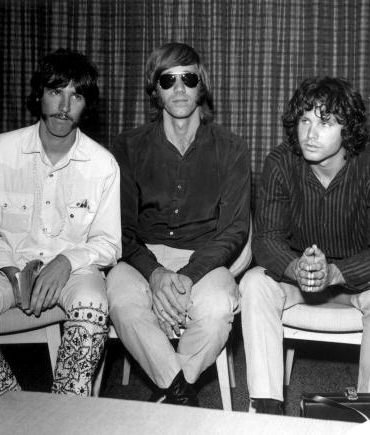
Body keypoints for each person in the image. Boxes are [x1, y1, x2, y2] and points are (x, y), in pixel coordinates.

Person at [240, 76, 370, 415]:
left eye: (326, 122)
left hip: (356, 280)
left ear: (348, 129)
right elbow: (266, 239)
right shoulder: (280, 163)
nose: (311, 133)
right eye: (305, 120)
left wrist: (335, 272)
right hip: (297, 279)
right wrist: (294, 267)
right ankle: (267, 409)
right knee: (254, 283)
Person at [0, 48, 121, 412]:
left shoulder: (103, 164)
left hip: (74, 272)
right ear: (39, 94)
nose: (64, 105)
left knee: (93, 305)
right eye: (56, 91)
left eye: (76, 95)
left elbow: (109, 243)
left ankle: (63, 416)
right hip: (9, 268)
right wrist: (9, 267)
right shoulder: (2, 150)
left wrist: (67, 260)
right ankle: (8, 412)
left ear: (86, 105)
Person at [107, 42, 250, 407]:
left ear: (202, 84)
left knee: (218, 308)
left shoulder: (232, 148)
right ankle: (180, 393)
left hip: (203, 257)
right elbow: (119, 229)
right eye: (167, 81)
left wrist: (188, 273)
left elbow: (234, 230)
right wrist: (154, 273)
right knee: (121, 301)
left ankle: (170, 392)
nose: (179, 88)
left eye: (188, 78)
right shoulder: (127, 146)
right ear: (154, 90)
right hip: (141, 256)